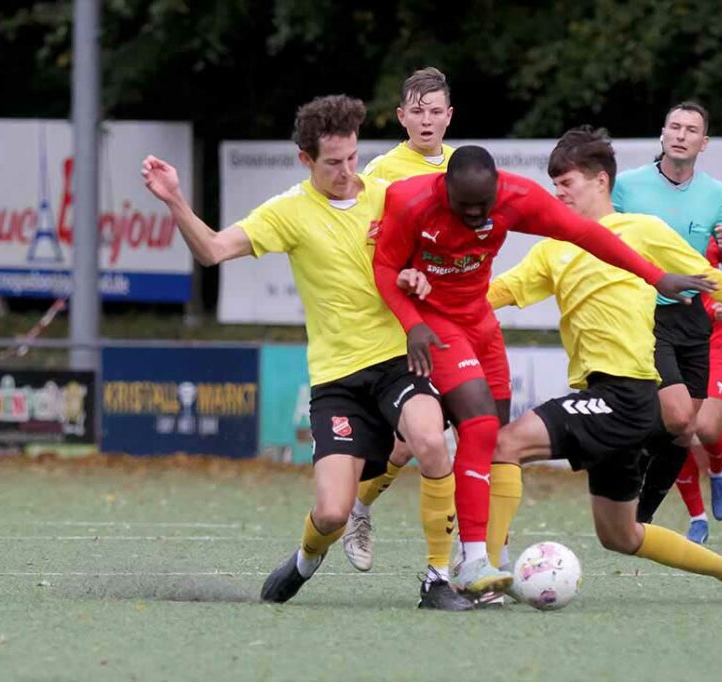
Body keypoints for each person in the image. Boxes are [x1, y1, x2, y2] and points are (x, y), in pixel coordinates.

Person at [483, 126, 722, 600]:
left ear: (599, 182)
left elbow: (719, 282)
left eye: (565, 184)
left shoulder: (643, 232)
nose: (557, 195)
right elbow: (497, 294)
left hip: (625, 394)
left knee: (504, 445)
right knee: (621, 535)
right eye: (553, 186)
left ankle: (487, 574)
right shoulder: (553, 248)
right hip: (607, 399)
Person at [140, 94, 473, 611]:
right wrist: (175, 199)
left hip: (397, 361)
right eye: (333, 163)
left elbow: (426, 261)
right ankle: (305, 559)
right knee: (333, 514)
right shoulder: (289, 211)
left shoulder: (388, 197)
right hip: (337, 381)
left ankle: (437, 580)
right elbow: (211, 250)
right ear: (306, 160)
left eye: (352, 158)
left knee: (432, 441)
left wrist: (416, 276)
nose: (347, 172)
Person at [372, 145, 716, 597]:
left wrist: (655, 276)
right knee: (477, 425)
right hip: (436, 324)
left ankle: (489, 559)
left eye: (484, 205)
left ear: (498, 187)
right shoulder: (408, 199)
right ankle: (470, 559)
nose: (475, 215)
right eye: (464, 205)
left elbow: (589, 235)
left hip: (480, 324)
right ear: (445, 188)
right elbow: (383, 266)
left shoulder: (519, 198)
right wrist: (413, 323)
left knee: (492, 441)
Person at [611, 101, 722, 527]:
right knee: (676, 418)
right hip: (643, 314)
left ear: (703, 143)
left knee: (691, 427)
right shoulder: (627, 188)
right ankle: (648, 507)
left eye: (691, 130)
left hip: (694, 317)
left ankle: (657, 502)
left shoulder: (715, 195)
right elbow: (600, 239)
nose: (681, 134)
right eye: (674, 127)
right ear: (662, 134)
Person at [342, 66, 458, 575]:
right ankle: (362, 511)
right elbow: (376, 250)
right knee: (417, 441)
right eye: (418, 111)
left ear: (449, 116)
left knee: (437, 439)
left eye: (436, 111)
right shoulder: (383, 173)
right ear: (402, 117)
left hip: (458, 317)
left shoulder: (465, 166)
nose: (427, 120)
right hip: (410, 323)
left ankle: (472, 550)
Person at [673, 236, 722, 544]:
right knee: (676, 431)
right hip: (665, 340)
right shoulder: (646, 221)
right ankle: (697, 519)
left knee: (706, 427)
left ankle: (718, 467)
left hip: (708, 340)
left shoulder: (712, 225)